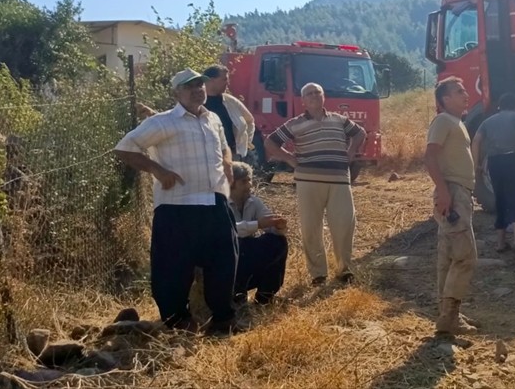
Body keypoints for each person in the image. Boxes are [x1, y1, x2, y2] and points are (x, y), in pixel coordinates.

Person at [113, 68, 238, 336]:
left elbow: (225, 145)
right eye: (189, 86)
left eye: (200, 85)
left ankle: (222, 320)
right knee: (172, 268)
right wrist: (157, 170)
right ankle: (178, 322)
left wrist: (227, 162)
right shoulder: (162, 122)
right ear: (176, 93)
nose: (197, 90)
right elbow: (125, 147)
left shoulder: (213, 118)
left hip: (215, 201)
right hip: (176, 205)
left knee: (225, 261)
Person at [265, 82, 365, 285]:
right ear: (303, 101)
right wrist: (289, 159)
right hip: (308, 180)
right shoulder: (295, 123)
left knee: (345, 224)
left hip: (339, 180)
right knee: (311, 227)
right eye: (309, 94)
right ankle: (318, 273)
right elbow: (270, 142)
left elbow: (360, 133)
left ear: (323, 96)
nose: (314, 96)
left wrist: (352, 151)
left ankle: (344, 269)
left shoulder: (339, 119)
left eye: (317, 92)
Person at [424, 76, 479, 343]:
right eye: (459, 91)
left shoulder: (457, 122)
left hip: (457, 192)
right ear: (445, 99)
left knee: (448, 256)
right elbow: (430, 155)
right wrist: (445, 192)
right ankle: (449, 318)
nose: (466, 94)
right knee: (465, 256)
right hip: (453, 193)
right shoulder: (444, 120)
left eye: (464, 90)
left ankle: (447, 317)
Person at [471, 92, 515, 261]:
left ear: (499, 106)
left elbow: (476, 141)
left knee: (500, 200)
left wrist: (476, 164)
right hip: (512, 159)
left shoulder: (488, 121)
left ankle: (500, 243)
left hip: (494, 162)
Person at [228, 162, 289, 305]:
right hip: (227, 261)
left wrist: (279, 226)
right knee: (237, 246)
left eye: (250, 180)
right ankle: (236, 294)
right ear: (231, 183)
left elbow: (269, 224)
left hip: (246, 257)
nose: (249, 185)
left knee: (278, 242)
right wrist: (258, 224)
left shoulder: (254, 202)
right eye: (244, 181)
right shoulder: (220, 203)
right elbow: (229, 231)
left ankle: (265, 297)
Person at [202, 64, 255, 161]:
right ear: (212, 80)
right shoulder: (198, 103)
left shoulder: (231, 101)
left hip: (232, 156)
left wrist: (246, 144)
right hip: (207, 157)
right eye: (224, 79)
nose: (228, 83)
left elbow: (249, 120)